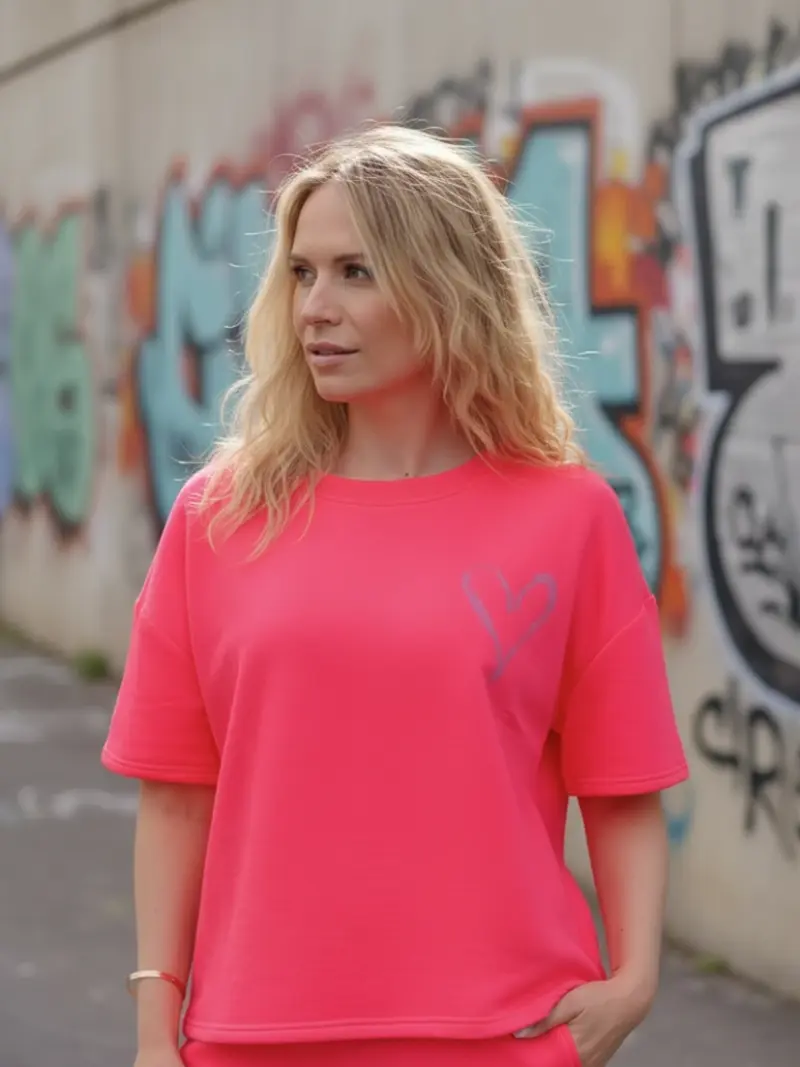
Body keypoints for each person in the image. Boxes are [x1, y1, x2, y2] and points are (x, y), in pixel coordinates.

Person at [101, 124, 689, 1067]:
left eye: (355, 273)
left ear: (446, 287)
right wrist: (150, 1031)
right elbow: (175, 794)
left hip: (504, 1036)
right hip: (251, 1039)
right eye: (302, 273)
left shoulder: (568, 516)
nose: (315, 308)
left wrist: (634, 981)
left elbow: (620, 785)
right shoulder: (221, 516)